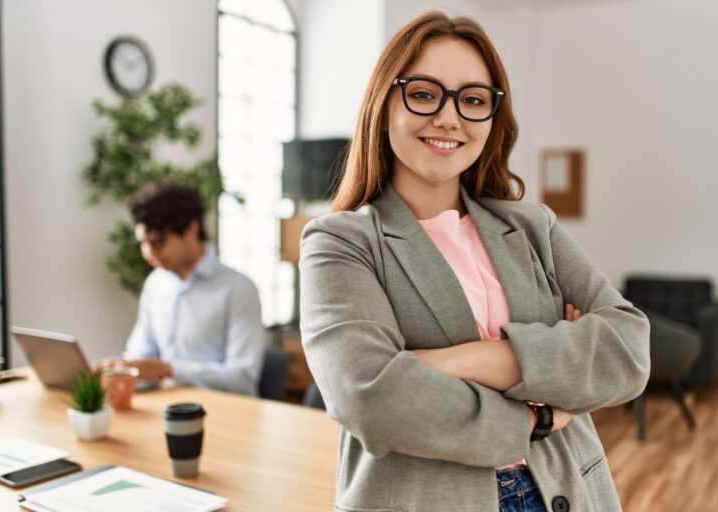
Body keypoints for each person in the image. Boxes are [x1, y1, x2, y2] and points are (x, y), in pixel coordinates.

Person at [299, 11, 650, 512]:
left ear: (492, 115)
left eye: (473, 100)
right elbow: (370, 397)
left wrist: (455, 361)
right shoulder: (339, 243)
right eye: (423, 93)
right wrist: (538, 413)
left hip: (569, 488)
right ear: (385, 102)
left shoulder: (535, 227)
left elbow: (628, 351)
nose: (449, 117)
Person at [107, 180, 265, 396]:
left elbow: (243, 379)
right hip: (166, 407)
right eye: (143, 243)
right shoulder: (156, 283)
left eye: (158, 241)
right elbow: (141, 353)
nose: (148, 253)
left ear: (192, 229)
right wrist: (118, 367)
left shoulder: (238, 289)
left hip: (226, 413)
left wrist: (167, 370)